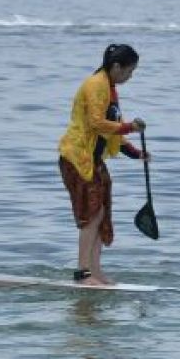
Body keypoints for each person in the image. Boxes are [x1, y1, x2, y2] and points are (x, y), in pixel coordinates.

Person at [58, 44, 148, 286]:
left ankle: (95, 272)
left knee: (101, 215)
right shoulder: (96, 85)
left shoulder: (110, 88)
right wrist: (130, 126)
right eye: (129, 71)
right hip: (77, 159)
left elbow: (112, 134)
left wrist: (136, 153)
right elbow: (97, 123)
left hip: (93, 161)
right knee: (92, 215)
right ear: (116, 66)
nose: (131, 76)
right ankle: (83, 274)